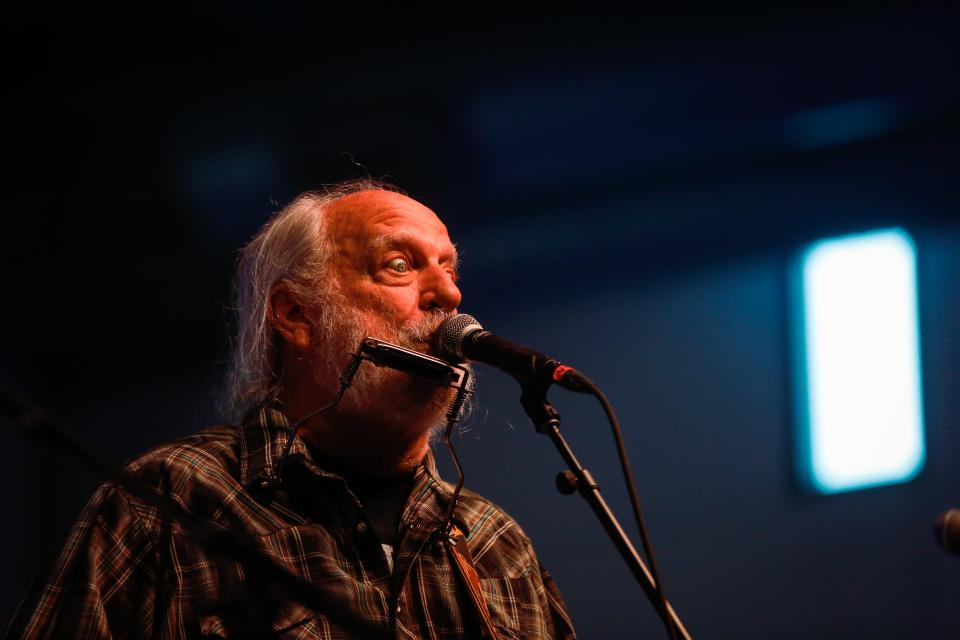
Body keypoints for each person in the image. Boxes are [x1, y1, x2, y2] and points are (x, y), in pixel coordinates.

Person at [6, 180, 577, 639]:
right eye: (399, 265)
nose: (449, 295)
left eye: (448, 269)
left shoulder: (495, 547)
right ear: (297, 316)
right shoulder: (172, 502)